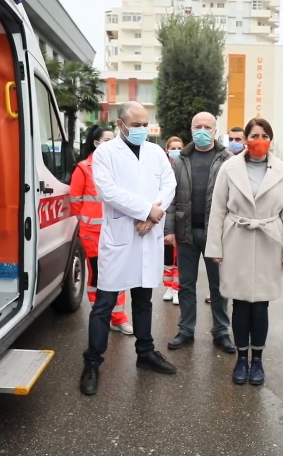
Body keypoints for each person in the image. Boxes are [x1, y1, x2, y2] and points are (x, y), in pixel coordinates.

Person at [80, 102, 178, 396]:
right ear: (120, 125)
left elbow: (169, 184)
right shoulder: (105, 153)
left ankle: (145, 353)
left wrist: (153, 215)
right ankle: (93, 362)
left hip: (147, 234)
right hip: (121, 236)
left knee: (144, 300)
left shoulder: (156, 152)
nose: (142, 130)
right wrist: (147, 210)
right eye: (136, 125)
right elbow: (107, 191)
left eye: (145, 124)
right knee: (104, 304)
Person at [206, 118, 283, 386]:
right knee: (239, 303)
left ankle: (257, 360)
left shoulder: (281, 169)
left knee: (260, 306)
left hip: (269, 240)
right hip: (236, 238)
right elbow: (218, 209)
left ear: (271, 139)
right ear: (245, 138)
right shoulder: (229, 168)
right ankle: (240, 358)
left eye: (264, 135)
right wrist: (215, 246)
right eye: (254, 135)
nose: (259, 139)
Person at [165, 112, 236, 354]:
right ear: (191, 129)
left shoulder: (227, 160)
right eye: (198, 126)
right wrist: (169, 230)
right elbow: (171, 199)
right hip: (186, 232)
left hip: (216, 234)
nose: (202, 130)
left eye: (208, 127)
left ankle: (221, 332)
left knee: (219, 286)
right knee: (185, 284)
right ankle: (186, 330)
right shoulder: (180, 160)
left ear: (215, 131)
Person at [70, 125, 134, 335]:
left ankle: (118, 317)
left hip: (116, 231)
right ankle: (100, 315)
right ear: (96, 143)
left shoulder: (119, 167)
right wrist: (87, 222)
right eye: (108, 140)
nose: (113, 144)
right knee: (98, 275)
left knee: (119, 274)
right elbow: (75, 200)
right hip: (93, 233)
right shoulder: (84, 168)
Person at [163, 136, 184, 305]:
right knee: (167, 257)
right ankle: (168, 286)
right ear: (167, 150)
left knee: (179, 258)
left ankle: (177, 288)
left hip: (179, 218)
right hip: (163, 218)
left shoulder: (184, 167)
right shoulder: (162, 168)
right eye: (173, 148)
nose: (176, 150)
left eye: (179, 147)